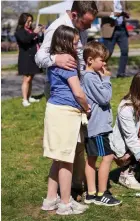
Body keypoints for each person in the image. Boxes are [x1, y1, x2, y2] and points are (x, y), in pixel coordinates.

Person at [35, 1, 98, 198]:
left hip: (76, 87)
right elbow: (39, 57)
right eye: (86, 23)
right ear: (73, 15)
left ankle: (74, 186)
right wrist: (56, 60)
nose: (88, 28)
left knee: (78, 143)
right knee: (67, 148)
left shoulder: (80, 28)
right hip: (63, 95)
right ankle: (67, 195)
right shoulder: (57, 28)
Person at [41, 25, 91, 215]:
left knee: (59, 158)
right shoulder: (68, 62)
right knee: (66, 159)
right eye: (75, 43)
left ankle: (50, 199)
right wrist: (87, 107)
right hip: (65, 113)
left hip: (55, 110)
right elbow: (78, 92)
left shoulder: (56, 60)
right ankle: (64, 204)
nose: (78, 47)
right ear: (65, 42)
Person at [81, 41, 121, 206]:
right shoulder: (91, 77)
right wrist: (106, 79)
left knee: (91, 158)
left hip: (92, 126)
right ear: (90, 60)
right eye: (102, 60)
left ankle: (90, 193)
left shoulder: (87, 76)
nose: (105, 63)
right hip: (98, 127)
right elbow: (104, 98)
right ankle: (102, 193)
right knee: (107, 156)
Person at [15, 13, 43, 107]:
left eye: (31, 21)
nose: (30, 23)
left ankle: (29, 96)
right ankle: (24, 99)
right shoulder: (19, 31)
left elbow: (37, 40)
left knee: (31, 79)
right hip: (26, 58)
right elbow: (25, 40)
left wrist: (41, 32)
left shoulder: (30, 30)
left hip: (33, 58)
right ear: (23, 21)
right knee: (26, 79)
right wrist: (34, 33)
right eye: (28, 21)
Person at [97, 1, 130, 78]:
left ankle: (121, 74)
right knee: (107, 53)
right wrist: (112, 14)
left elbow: (126, 10)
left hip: (122, 29)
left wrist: (126, 14)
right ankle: (101, 72)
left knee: (125, 51)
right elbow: (97, 13)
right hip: (109, 29)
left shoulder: (122, 1)